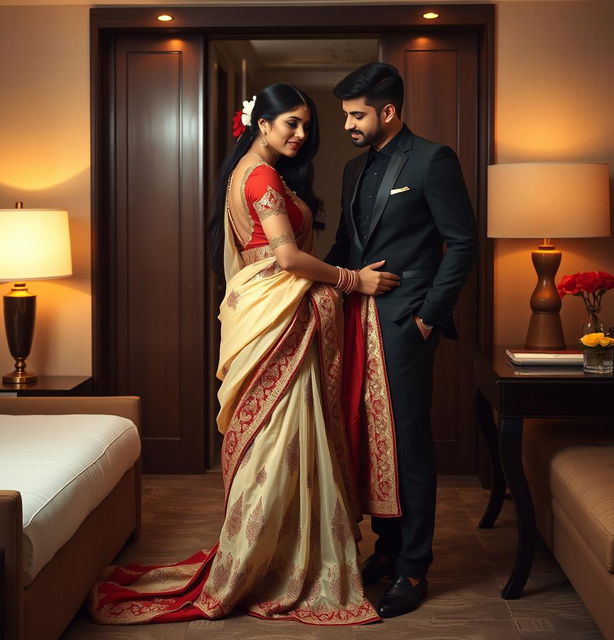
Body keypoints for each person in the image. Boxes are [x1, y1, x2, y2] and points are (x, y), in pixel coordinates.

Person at [89, 83, 400, 626]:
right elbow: (285, 258)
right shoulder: (260, 177)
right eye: (291, 125)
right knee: (281, 434)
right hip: (278, 315)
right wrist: (354, 280)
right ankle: (273, 561)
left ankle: (274, 553)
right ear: (261, 125)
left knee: (279, 436)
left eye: (307, 126)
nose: (302, 135)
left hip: (267, 314)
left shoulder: (247, 174)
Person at [326, 63, 477, 618]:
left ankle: (415, 565)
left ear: (388, 111)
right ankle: (388, 550)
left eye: (356, 114)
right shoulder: (351, 169)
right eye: (346, 115)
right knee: (369, 438)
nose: (348, 124)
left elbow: (462, 244)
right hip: (354, 320)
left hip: (405, 324)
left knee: (409, 444)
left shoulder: (433, 160)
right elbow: (347, 244)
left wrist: (427, 318)